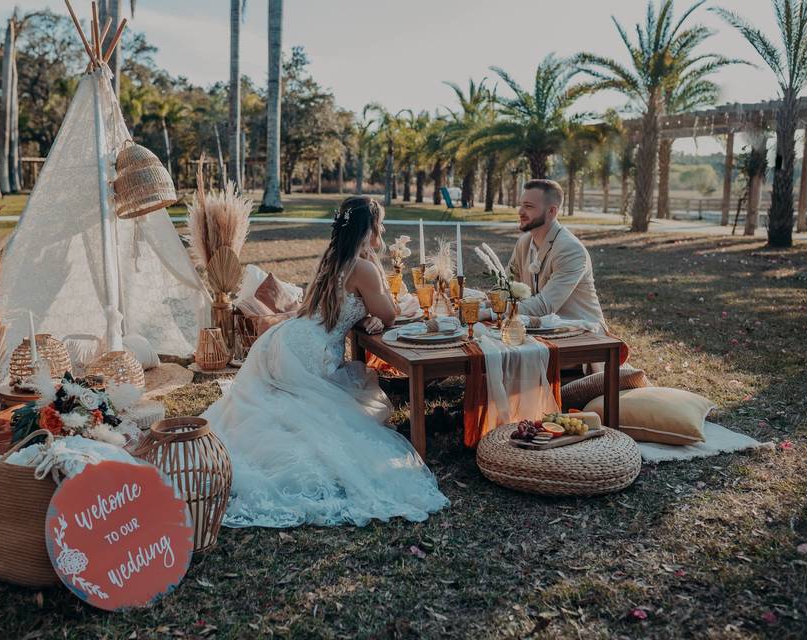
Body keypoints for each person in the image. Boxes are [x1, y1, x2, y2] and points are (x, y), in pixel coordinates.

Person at [201, 196, 449, 528]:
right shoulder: (364, 268)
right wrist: (374, 313)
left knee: (276, 409)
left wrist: (363, 319)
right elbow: (389, 314)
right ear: (370, 228)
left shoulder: (330, 259)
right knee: (312, 418)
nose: (385, 229)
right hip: (311, 352)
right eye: (382, 223)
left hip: (284, 341)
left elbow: (344, 308)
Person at [505, 179, 607, 331]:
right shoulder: (524, 243)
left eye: (529, 206)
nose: (520, 212)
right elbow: (505, 287)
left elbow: (545, 306)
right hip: (540, 330)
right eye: (521, 205)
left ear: (552, 211)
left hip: (583, 335)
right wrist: (482, 305)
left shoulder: (570, 249)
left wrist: (492, 312)